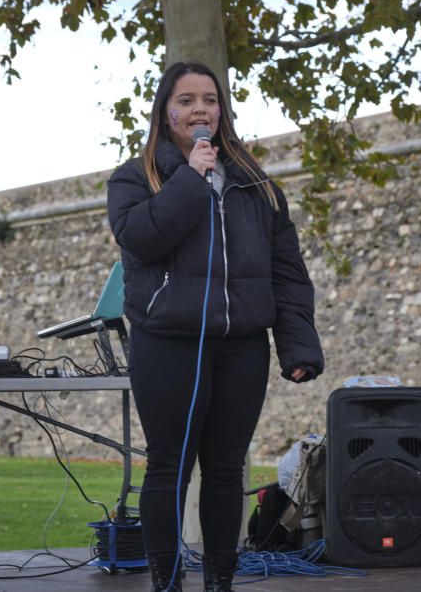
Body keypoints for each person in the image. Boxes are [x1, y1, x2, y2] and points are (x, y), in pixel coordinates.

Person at [107, 61, 324, 592]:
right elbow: (142, 239)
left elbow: (285, 271)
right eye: (187, 100)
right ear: (166, 111)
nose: (200, 109)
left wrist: (297, 345)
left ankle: (220, 583)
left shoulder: (256, 185)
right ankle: (167, 582)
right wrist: (191, 178)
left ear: (221, 111)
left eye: (210, 99)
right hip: (167, 344)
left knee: (227, 471)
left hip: (241, 347)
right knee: (169, 468)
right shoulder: (136, 178)